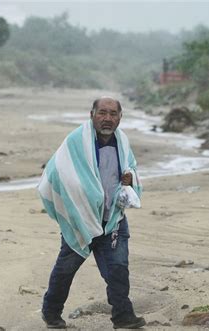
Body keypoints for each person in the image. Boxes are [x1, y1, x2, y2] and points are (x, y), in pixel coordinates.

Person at [38, 97, 145, 329]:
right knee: (65, 270)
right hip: (82, 219)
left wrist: (130, 178)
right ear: (92, 114)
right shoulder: (76, 141)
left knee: (118, 269)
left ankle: (123, 317)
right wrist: (80, 198)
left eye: (113, 114)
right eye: (102, 113)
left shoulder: (122, 142)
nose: (107, 118)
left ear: (120, 117)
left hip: (112, 219)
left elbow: (131, 170)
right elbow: (56, 171)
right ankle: (51, 312)